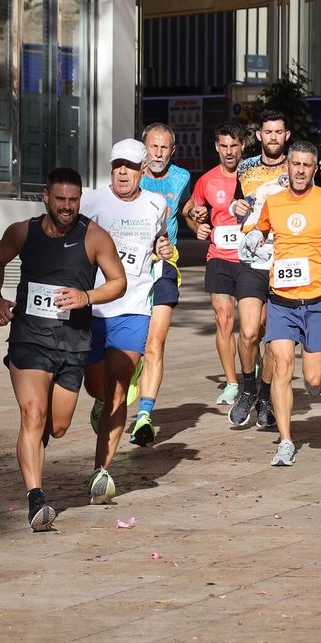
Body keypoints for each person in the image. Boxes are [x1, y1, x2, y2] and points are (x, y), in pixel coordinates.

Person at [0, 168, 127, 532]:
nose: (67, 207)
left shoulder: (93, 237)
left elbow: (119, 283)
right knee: (32, 413)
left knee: (57, 426)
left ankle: (35, 447)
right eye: (61, 199)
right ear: (46, 196)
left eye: (74, 200)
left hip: (73, 344)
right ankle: (36, 498)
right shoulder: (23, 232)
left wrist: (87, 296)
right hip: (29, 338)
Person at [252, 141, 321, 466]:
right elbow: (261, 230)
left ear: (315, 169)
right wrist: (255, 238)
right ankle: (285, 441)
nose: (299, 170)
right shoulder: (274, 202)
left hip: (317, 300)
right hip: (282, 300)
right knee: (283, 364)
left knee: (312, 378)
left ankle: (316, 377)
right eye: (295, 164)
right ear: (288, 167)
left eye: (306, 165)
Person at [81, 139, 172, 504]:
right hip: (92, 309)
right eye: (117, 165)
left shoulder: (156, 204)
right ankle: (99, 400)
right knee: (96, 387)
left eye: (130, 166)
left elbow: (160, 241)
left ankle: (101, 470)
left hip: (134, 308)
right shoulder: (90, 201)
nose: (123, 172)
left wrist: (164, 249)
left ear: (143, 171)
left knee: (119, 389)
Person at [227, 110, 291, 431]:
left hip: (284, 259)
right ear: (260, 136)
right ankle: (248, 388)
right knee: (249, 331)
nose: (273, 137)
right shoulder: (246, 167)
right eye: (268, 132)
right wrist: (234, 208)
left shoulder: (296, 167)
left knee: (270, 333)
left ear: (286, 136)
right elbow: (238, 204)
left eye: (279, 132)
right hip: (252, 257)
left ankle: (266, 396)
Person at [133, 123, 193, 447]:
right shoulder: (129, 176)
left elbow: (184, 206)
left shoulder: (181, 177)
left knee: (155, 343)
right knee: (128, 348)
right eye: (152, 147)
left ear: (173, 151)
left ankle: (144, 415)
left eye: (163, 148)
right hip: (129, 271)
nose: (157, 153)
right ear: (144, 149)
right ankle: (119, 391)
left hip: (164, 266)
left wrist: (194, 215)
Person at [187, 123, 249, 404]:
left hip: (251, 258)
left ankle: (253, 369)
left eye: (233, 146)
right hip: (220, 256)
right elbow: (191, 210)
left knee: (254, 326)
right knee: (224, 318)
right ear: (216, 147)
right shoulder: (207, 180)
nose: (228, 152)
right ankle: (233, 382)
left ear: (243, 146)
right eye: (223, 146)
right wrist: (195, 227)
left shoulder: (253, 175)